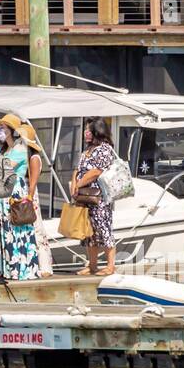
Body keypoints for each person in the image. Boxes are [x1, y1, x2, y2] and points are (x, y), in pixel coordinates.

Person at [0, 113, 39, 281]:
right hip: (4, 190)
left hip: (14, 189)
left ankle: (22, 268)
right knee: (6, 229)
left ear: (12, 130)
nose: (0, 131)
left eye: (3, 127)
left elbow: (4, 168)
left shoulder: (20, 148)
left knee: (18, 227)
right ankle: (10, 268)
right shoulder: (4, 148)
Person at [72, 118, 119, 277]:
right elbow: (78, 169)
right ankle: (92, 266)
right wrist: (74, 184)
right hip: (85, 197)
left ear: (97, 131)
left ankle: (110, 266)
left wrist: (78, 184)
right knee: (89, 232)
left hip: (99, 197)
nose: (85, 133)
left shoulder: (105, 149)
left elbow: (96, 172)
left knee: (104, 229)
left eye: (88, 130)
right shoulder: (88, 149)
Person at [19, 122, 54, 278]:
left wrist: (29, 197)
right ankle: (36, 265)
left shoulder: (34, 157)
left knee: (38, 230)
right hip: (25, 194)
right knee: (30, 230)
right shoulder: (25, 156)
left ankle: (46, 266)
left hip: (30, 195)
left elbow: (32, 182)